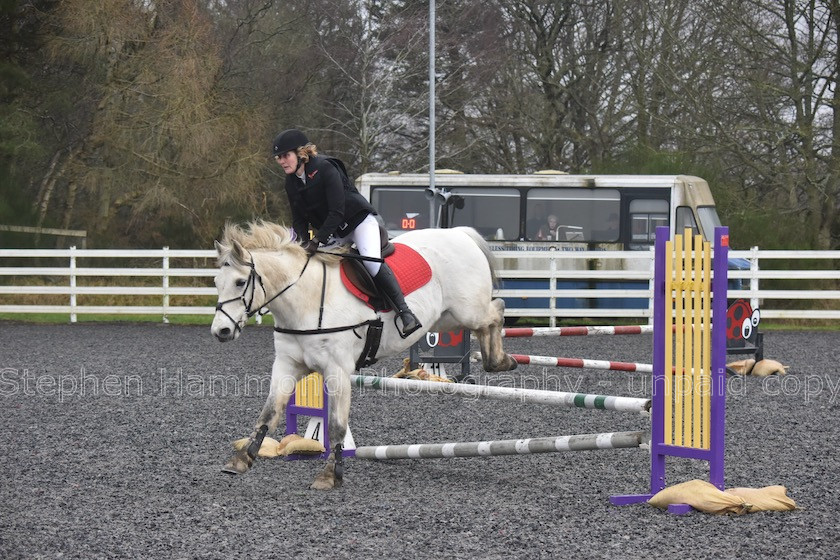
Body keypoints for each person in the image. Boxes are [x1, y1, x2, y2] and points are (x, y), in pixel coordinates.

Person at [272, 128, 421, 338]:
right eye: (279, 157)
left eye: (285, 155)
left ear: (301, 153)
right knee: (315, 265)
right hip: (334, 232)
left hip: (357, 222)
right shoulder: (291, 182)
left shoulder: (325, 168)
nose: (281, 161)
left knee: (370, 261)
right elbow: (299, 220)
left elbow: (337, 210)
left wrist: (319, 240)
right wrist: (305, 244)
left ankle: (405, 313)